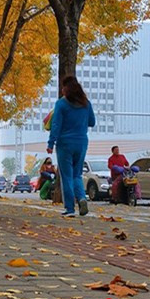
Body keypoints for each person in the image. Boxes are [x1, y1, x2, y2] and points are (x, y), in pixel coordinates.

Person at [47, 75, 95, 217]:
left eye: (63, 87)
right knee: (77, 175)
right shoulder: (86, 103)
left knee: (66, 176)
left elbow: (56, 125)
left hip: (65, 143)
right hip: (81, 142)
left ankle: (70, 208)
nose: (61, 89)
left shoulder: (61, 104)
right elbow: (92, 122)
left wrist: (50, 143)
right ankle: (81, 198)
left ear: (66, 89)